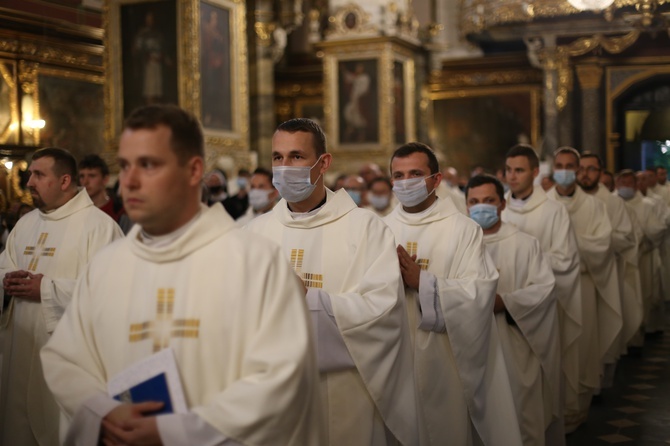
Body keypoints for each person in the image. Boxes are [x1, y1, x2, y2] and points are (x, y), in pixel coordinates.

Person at [41, 105, 323, 445]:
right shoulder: (106, 266)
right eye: (125, 165)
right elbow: (66, 358)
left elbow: (283, 379)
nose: (128, 181)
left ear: (193, 171)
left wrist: (174, 433)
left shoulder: (255, 263)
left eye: (148, 165)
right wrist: (103, 413)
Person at [245, 118, 418, 445]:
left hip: (346, 393)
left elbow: (384, 311)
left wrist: (309, 300)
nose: (285, 167)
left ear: (323, 163)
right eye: (277, 158)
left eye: (296, 157)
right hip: (273, 394)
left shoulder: (366, 229)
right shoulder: (253, 233)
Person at [383, 142, 522, 446]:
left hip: (445, 358)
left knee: (444, 430)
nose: (406, 182)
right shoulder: (380, 229)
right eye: (399, 175)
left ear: (436, 179)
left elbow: (479, 294)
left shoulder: (462, 230)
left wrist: (425, 283)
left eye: (415, 173)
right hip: (393, 355)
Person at [0, 148, 123, 446]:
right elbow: (5, 263)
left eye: (38, 175)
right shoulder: (27, 224)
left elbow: (114, 292)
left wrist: (46, 289)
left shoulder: (100, 227)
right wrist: (7, 280)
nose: (29, 182)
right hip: (19, 350)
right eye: (31, 174)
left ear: (65, 180)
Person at [466, 174, 561, 446]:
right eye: (473, 201)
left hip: (515, 345)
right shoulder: (461, 244)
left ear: (502, 204)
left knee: (521, 414)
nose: (480, 207)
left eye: (488, 201)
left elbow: (544, 289)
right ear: (465, 206)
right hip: (473, 345)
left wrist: (505, 302)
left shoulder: (525, 244)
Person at [501, 144, 581, 434]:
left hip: (540, 304)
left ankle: (542, 427)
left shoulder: (553, 211)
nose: (512, 176)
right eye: (508, 170)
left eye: (519, 170)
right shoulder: (498, 208)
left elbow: (565, 260)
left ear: (535, 172)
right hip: (500, 306)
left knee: (539, 371)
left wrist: (524, 258)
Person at [546, 147, 622, 419]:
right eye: (559, 165)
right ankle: (553, 408)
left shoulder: (594, 206)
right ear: (552, 169)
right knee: (554, 349)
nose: (564, 170)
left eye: (570, 166)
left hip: (583, 286)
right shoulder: (542, 204)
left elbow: (603, 247)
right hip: (550, 291)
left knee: (581, 345)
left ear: (577, 170)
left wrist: (568, 245)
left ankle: (577, 406)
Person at [577, 154, 641, 358]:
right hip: (577, 278)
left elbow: (627, 238)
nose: (585, 174)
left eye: (591, 169)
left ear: (601, 172)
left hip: (607, 274)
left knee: (604, 327)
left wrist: (599, 242)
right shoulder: (568, 201)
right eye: (581, 169)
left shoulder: (613, 203)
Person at [615, 170, 667, 339]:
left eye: (629, 183)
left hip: (643, 257)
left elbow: (657, 229)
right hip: (618, 261)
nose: (625, 187)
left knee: (643, 295)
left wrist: (643, 238)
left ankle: (643, 331)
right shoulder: (612, 204)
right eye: (622, 183)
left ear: (635, 185)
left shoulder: (647, 205)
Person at [79, 154, 133, 234]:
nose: (85, 181)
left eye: (92, 176)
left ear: (105, 179)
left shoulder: (119, 211)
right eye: (82, 176)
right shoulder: (77, 210)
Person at [342, 62, 371, 143]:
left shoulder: (365, 77)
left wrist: (360, 97)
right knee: (349, 112)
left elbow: (365, 90)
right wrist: (344, 69)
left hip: (360, 100)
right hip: (354, 100)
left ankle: (361, 136)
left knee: (359, 117)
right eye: (358, 68)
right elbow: (349, 77)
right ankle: (350, 133)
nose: (358, 69)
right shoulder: (356, 77)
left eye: (360, 68)